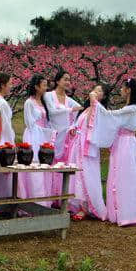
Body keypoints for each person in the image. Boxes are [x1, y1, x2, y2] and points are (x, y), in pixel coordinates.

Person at [89, 78, 136, 226]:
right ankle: (123, 211)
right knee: (125, 176)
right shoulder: (131, 108)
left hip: (126, 145)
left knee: (125, 177)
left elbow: (109, 116)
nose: (121, 90)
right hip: (125, 144)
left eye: (123, 88)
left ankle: (128, 213)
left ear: (128, 90)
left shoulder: (130, 109)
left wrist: (95, 102)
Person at [64, 83, 110, 221]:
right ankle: (75, 204)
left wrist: (93, 99)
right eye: (95, 89)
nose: (96, 91)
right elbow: (78, 124)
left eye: (100, 90)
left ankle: (86, 207)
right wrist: (73, 129)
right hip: (77, 144)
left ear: (104, 96)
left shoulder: (100, 110)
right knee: (76, 174)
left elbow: (93, 125)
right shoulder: (86, 109)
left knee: (86, 175)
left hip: (88, 147)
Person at [43, 70, 82, 203]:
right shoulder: (48, 96)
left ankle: (59, 197)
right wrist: (70, 110)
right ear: (58, 81)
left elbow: (79, 111)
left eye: (69, 80)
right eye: (65, 79)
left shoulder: (69, 100)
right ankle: (48, 197)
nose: (67, 82)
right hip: (51, 135)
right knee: (49, 164)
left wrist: (73, 127)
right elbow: (53, 112)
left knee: (61, 166)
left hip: (64, 138)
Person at [18, 74, 56, 205]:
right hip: (33, 135)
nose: (46, 87)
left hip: (42, 136)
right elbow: (29, 122)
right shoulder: (29, 102)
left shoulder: (44, 101)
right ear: (36, 87)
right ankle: (33, 201)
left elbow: (47, 121)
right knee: (34, 165)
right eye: (44, 85)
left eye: (46, 84)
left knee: (44, 163)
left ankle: (44, 201)